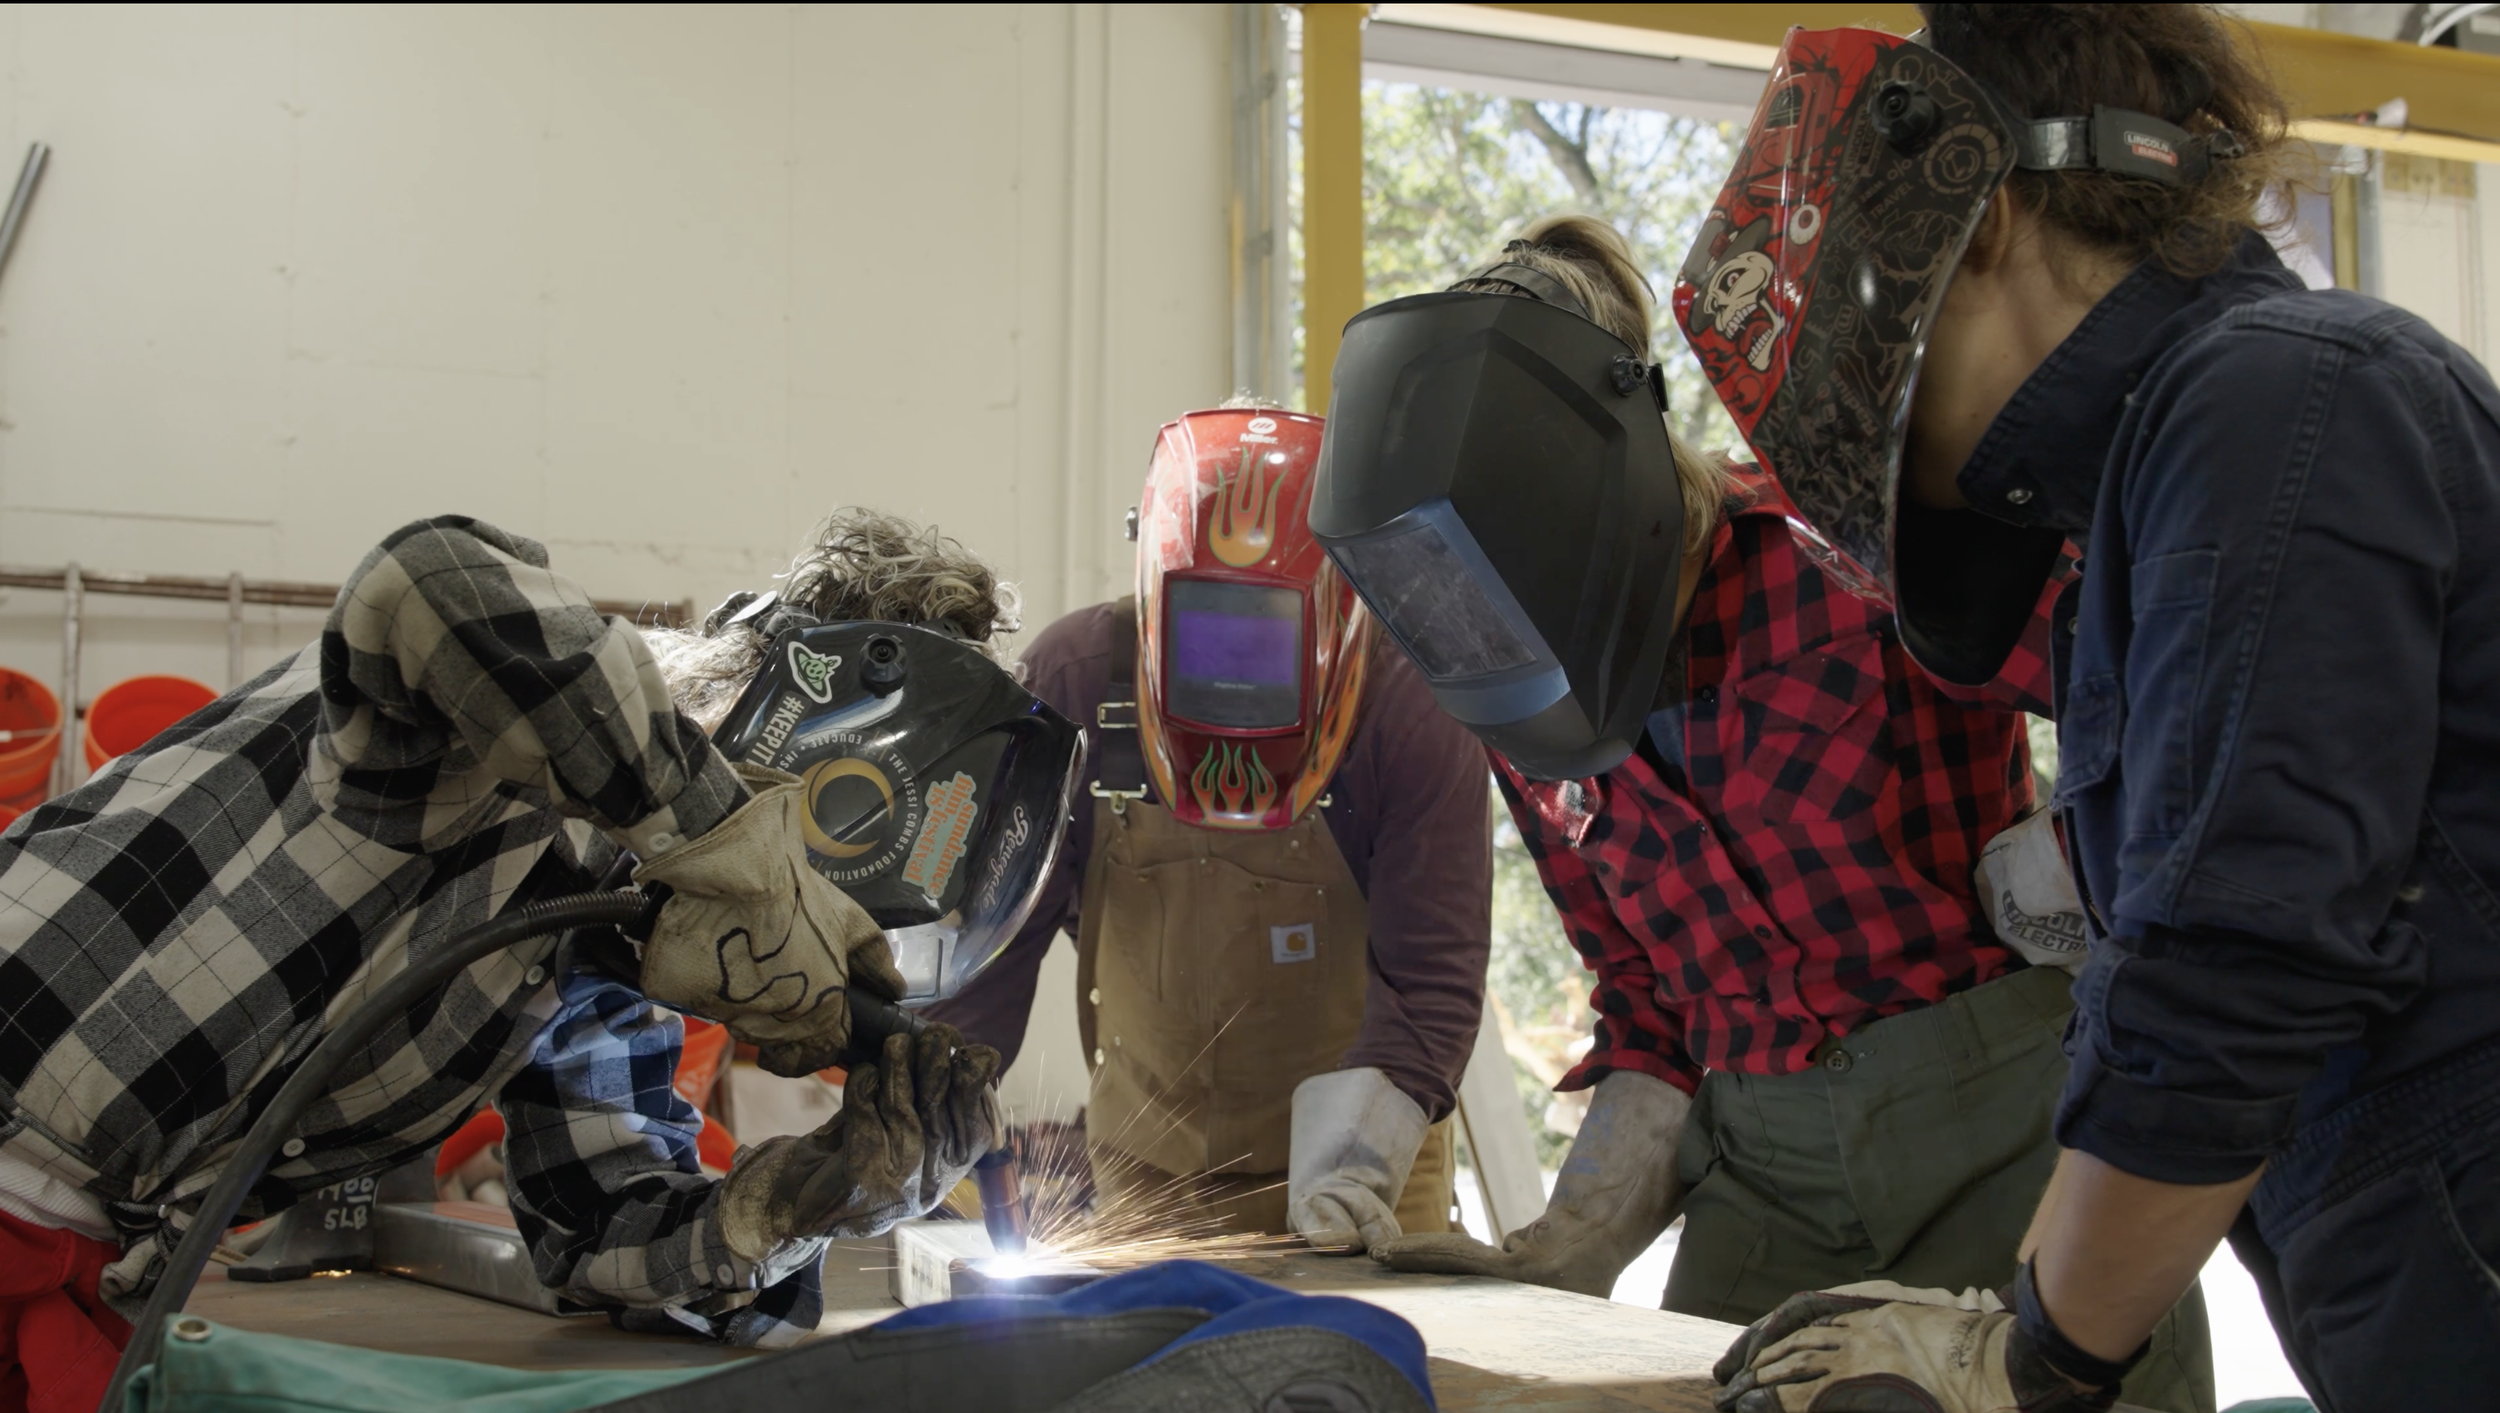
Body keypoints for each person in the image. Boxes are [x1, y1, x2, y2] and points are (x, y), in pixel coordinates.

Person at [1684, 8, 2500, 1412]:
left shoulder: (2273, 401)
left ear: (1986, 215)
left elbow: (2233, 970)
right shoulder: (2197, 452)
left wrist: (2035, 1357)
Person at [1312, 216, 2205, 1413]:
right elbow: (1646, 1005)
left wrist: (2082, 849)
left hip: (2000, 1131)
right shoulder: (1515, 694)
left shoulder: (1839, 547)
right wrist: (1569, 1241)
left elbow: (2183, 690)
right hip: (1761, 1166)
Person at [0, 510, 1049, 1411]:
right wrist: (731, 852)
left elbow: (602, 1232)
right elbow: (428, 577)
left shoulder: (604, 952)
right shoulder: (474, 737)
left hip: (76, 1279)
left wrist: (813, 1196)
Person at [930, 405, 1492, 1252]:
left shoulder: (1409, 709)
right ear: (1153, 592)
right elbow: (994, 946)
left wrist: (1358, 1167)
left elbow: (1431, 980)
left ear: (1337, 606)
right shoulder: (1074, 685)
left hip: (1370, 1163)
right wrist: (934, 1130)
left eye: (1268, 646)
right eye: (1204, 640)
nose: (1233, 687)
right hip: (1147, 1164)